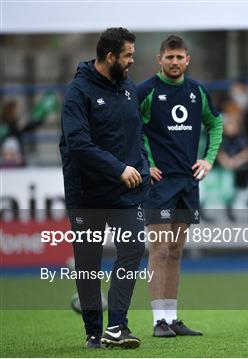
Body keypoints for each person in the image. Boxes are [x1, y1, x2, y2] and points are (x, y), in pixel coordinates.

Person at [59, 27, 150, 349]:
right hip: (87, 194)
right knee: (88, 265)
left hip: (125, 193)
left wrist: (141, 165)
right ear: (110, 56)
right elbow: (78, 145)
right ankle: (93, 333)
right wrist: (118, 168)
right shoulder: (78, 92)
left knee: (133, 249)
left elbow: (136, 133)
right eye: (127, 55)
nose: (132, 61)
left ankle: (117, 327)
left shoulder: (128, 89)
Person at [137, 35, 223, 337]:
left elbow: (216, 124)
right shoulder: (145, 91)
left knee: (175, 251)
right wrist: (145, 165)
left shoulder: (197, 91)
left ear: (188, 60)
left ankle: (172, 319)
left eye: (180, 57)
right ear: (159, 59)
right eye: (169, 57)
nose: (175, 62)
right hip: (158, 185)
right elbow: (129, 129)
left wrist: (208, 159)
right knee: (158, 249)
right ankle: (157, 320)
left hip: (187, 183)